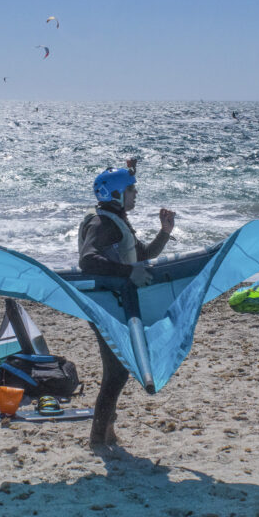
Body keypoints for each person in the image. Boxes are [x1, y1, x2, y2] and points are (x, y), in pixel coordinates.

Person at [77, 158, 175, 446]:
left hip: (115, 303)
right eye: (131, 189)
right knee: (117, 371)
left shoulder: (114, 219)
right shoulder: (102, 223)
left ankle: (106, 431)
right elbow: (88, 260)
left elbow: (143, 254)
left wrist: (165, 231)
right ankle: (99, 435)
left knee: (117, 369)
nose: (136, 193)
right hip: (107, 305)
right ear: (117, 194)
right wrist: (128, 272)